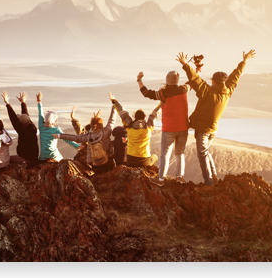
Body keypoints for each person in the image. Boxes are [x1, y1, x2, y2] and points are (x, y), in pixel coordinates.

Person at [178, 50, 255, 189]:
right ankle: (214, 177)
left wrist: (185, 64)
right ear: (224, 81)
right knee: (206, 152)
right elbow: (236, 75)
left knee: (202, 154)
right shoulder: (228, 90)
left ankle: (209, 183)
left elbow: (195, 79)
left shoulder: (208, 92)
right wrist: (245, 61)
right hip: (213, 129)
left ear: (213, 81)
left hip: (204, 130)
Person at [137, 71, 191, 187]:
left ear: (167, 80)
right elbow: (192, 82)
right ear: (177, 80)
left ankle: (161, 179)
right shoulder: (184, 89)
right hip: (183, 128)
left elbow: (146, 93)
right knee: (180, 152)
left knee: (165, 154)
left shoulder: (163, 93)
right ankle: (179, 177)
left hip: (169, 129)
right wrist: (196, 69)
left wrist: (139, 80)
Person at [56, 99, 119, 174]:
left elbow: (78, 132)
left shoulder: (87, 136)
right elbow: (111, 121)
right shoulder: (104, 134)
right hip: (107, 163)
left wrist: (72, 119)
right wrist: (114, 105)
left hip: (94, 164)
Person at [109, 92, 161, 168]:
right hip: (144, 160)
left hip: (130, 160)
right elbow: (155, 113)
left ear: (135, 117)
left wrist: (114, 101)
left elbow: (122, 112)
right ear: (144, 117)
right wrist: (162, 102)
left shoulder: (129, 125)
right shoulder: (148, 127)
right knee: (155, 156)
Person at [33, 91, 80, 166]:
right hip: (54, 156)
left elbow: (40, 114)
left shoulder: (41, 126)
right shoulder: (56, 129)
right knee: (62, 160)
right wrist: (78, 147)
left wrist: (39, 101)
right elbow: (67, 140)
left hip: (43, 157)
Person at [1, 91, 39, 169]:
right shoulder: (31, 126)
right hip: (33, 156)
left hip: (26, 158)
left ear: (22, 124)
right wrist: (23, 102)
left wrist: (7, 103)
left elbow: (14, 119)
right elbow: (25, 116)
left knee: (5, 160)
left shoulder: (23, 132)